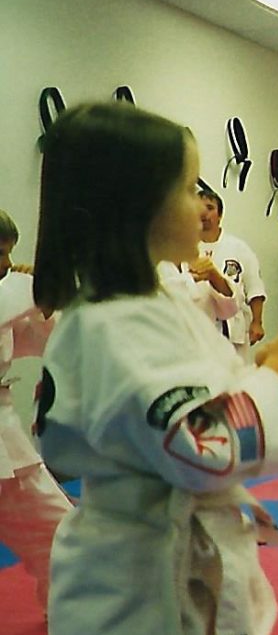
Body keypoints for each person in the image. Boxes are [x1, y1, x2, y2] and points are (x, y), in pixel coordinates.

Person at [33, 102, 278, 634]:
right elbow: (198, 450)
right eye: (190, 189)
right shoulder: (119, 322)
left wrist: (253, 374)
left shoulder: (145, 305)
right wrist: (274, 377)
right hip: (141, 583)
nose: (203, 207)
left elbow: (189, 403)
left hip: (159, 552)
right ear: (137, 207)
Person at [0, 209, 72, 614]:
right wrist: (31, 290)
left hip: (6, 438)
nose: (7, 265)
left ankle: (68, 612)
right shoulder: (10, 295)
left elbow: (43, 342)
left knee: (61, 532)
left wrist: (43, 304)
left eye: (9, 254)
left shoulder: (11, 292)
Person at [198, 188, 266, 359]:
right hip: (197, 327)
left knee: (233, 378)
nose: (204, 213)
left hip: (231, 327)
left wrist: (257, 322)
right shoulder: (184, 248)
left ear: (220, 215)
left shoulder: (238, 248)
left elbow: (254, 286)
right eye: (198, 208)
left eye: (210, 208)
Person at [156, 255, 242, 325]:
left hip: (205, 341)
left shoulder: (198, 258)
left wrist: (215, 278)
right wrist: (189, 279)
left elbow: (229, 311)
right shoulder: (149, 263)